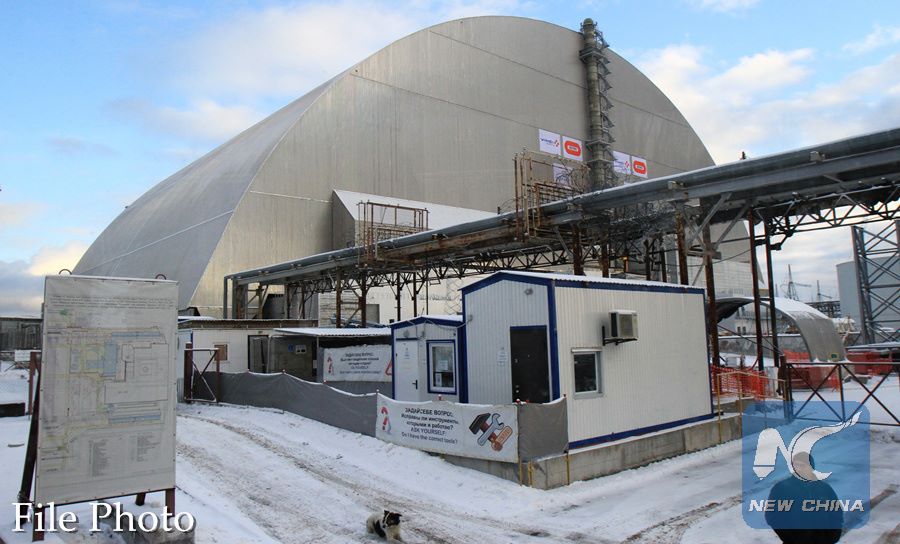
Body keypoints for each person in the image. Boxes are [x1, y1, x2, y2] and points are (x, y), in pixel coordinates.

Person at [765, 453, 843, 544]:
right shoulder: (781, 489)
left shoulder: (824, 489)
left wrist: (833, 536)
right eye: (795, 465)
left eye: (802, 465)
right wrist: (790, 537)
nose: (798, 469)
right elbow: (773, 516)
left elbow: (836, 514)